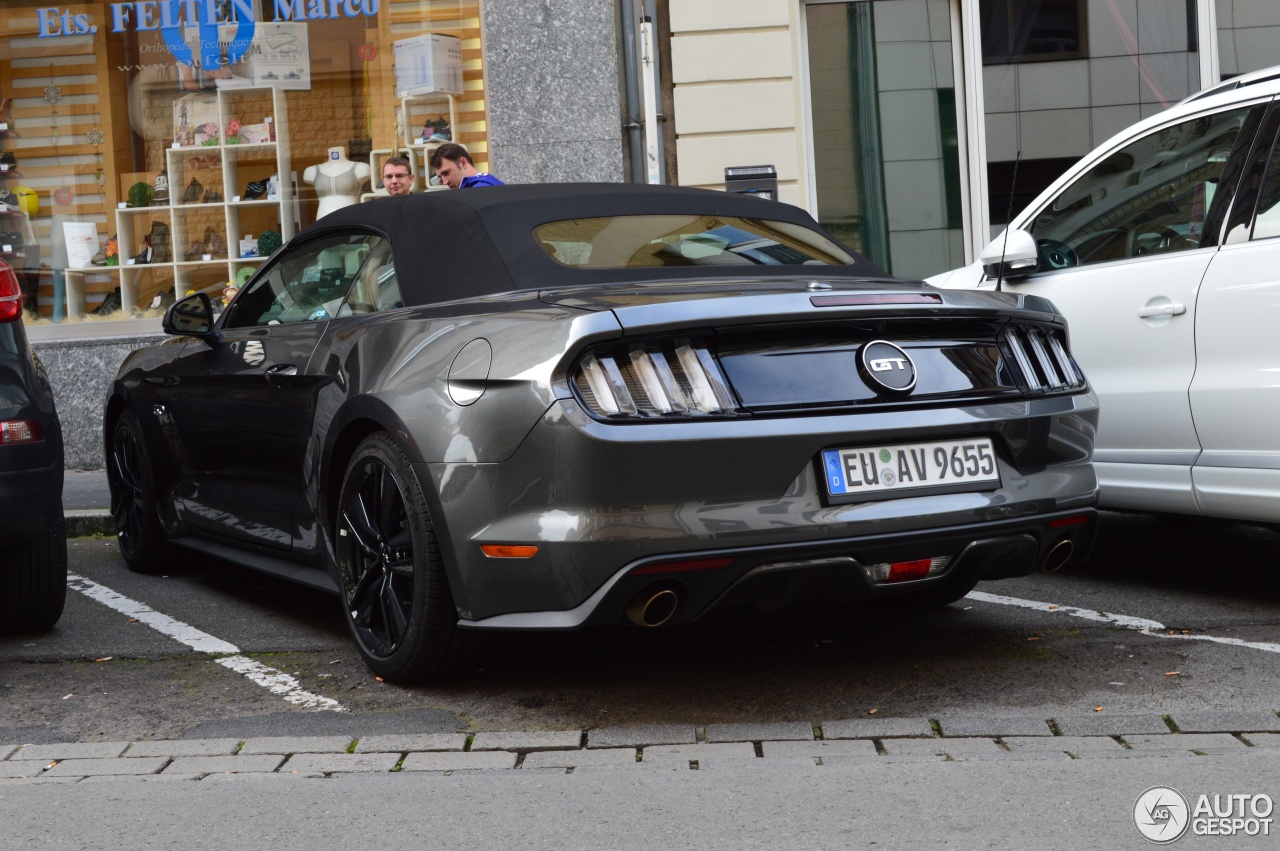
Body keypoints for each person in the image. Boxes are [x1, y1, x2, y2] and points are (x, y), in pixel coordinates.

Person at [429, 143, 504, 189]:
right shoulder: (489, 182)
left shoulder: (479, 190)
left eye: (446, 173)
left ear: (463, 162)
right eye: (440, 178)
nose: (445, 182)